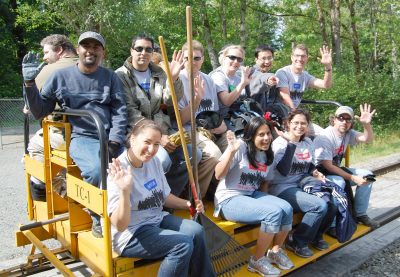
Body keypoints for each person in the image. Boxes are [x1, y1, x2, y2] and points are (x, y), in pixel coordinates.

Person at [22, 31, 127, 237]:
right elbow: (40, 111)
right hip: (82, 136)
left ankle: (135, 214)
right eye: (86, 46)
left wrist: (115, 139)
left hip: (109, 136)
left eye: (96, 47)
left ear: (103, 53)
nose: (90, 50)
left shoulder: (110, 77)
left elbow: (120, 110)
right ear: (78, 50)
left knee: (142, 163)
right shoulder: (60, 77)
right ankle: (98, 216)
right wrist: (29, 84)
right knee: (97, 170)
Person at [107, 119, 215, 277]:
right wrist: (124, 191)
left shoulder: (154, 162)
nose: (151, 149)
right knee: (182, 245)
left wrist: (188, 204)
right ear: (132, 139)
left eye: (157, 144)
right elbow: (120, 225)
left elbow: (163, 196)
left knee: (196, 231)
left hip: (155, 219)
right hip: (131, 234)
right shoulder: (118, 170)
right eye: (147, 142)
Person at [115, 34, 200, 197]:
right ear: (131, 51)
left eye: (148, 49)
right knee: (162, 159)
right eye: (139, 48)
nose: (143, 53)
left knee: (194, 154)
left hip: (162, 130)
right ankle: (142, 200)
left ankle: (166, 197)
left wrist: (174, 78)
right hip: (134, 133)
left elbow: (170, 101)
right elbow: (130, 112)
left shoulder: (159, 72)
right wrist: (157, 138)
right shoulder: (121, 76)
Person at [214, 117, 294, 276]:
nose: (266, 138)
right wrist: (230, 151)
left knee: (286, 208)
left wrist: (264, 207)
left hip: (250, 195)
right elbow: (218, 174)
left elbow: (264, 183)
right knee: (273, 213)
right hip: (228, 199)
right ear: (251, 136)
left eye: (268, 134)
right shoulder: (240, 147)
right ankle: (256, 260)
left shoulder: (267, 155)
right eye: (261, 135)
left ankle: (275, 251)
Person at [269, 109, 337, 258]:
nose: (300, 126)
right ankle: (297, 242)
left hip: (301, 183)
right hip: (281, 187)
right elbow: (283, 171)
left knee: (332, 201)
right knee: (318, 206)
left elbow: (309, 164)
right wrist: (291, 144)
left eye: (303, 123)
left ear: (307, 125)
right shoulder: (279, 143)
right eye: (296, 123)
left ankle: (316, 236)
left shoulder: (307, 142)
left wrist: (315, 172)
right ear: (288, 124)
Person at [24, 34, 79, 200]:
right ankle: (66, 179)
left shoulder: (47, 71)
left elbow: (35, 110)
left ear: (60, 50)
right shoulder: (93, 66)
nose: (44, 57)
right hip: (95, 132)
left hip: (66, 135)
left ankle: (44, 189)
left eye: (47, 52)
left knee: (34, 146)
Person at [314, 104, 379, 229]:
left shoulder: (348, 133)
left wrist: (366, 124)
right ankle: (331, 225)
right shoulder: (325, 137)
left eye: (348, 119)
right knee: (339, 182)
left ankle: (360, 214)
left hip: (334, 170)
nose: (344, 122)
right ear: (334, 120)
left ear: (351, 123)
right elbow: (328, 166)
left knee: (368, 176)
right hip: (320, 173)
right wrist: (353, 178)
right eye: (341, 118)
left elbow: (368, 139)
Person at [179, 40, 227, 198]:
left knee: (237, 145)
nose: (192, 62)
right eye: (187, 58)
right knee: (213, 154)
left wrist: (221, 125)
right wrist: (196, 100)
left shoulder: (208, 80)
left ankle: (222, 193)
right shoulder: (177, 80)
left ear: (203, 59)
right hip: (189, 129)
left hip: (210, 129)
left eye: (196, 58)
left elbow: (213, 111)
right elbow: (180, 119)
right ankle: (194, 197)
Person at [275, 44, 333, 111]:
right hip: (280, 113)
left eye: (303, 56)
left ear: (307, 59)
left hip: (292, 114)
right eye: (297, 56)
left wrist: (328, 66)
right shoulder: (282, 73)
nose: (300, 59)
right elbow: (285, 96)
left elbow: (326, 85)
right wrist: (295, 114)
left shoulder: (305, 76)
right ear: (292, 57)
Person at [209, 45, 252, 121]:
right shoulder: (218, 76)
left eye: (239, 59)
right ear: (224, 58)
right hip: (222, 119)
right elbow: (226, 101)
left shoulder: (239, 78)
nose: (236, 61)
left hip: (239, 117)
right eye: (232, 57)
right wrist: (242, 84)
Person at [249, 44, 280, 113]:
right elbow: (260, 78)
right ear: (256, 60)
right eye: (263, 58)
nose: (267, 61)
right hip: (250, 119)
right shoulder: (251, 72)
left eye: (270, 58)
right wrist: (268, 79)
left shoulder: (268, 74)